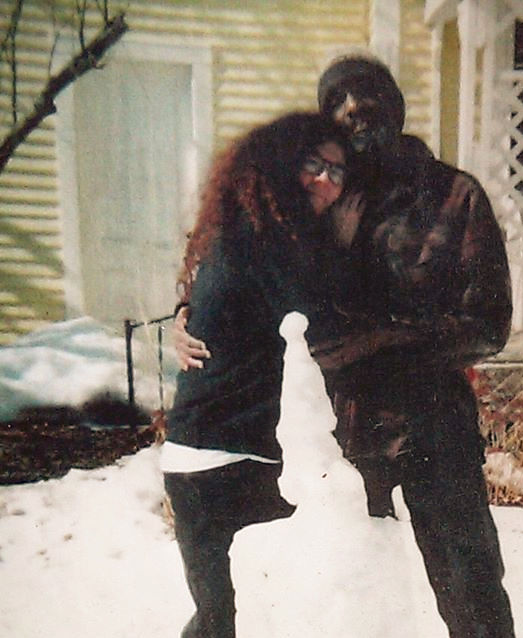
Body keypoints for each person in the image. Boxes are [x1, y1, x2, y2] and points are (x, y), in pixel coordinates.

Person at [176, 56, 515, 638]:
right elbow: (234, 249)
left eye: (367, 95)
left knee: (472, 593)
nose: (354, 110)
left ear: (397, 107)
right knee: (323, 594)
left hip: (432, 424)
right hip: (331, 432)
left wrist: (382, 340)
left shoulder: (453, 195)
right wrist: (187, 311)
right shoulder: (316, 193)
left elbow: (489, 323)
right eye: (338, 101)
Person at [162, 112, 357, 638]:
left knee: (228, 617)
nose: (326, 181)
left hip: (215, 455)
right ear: (280, 165)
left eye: (339, 172)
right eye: (314, 164)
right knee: (233, 620)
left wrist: (183, 315)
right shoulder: (266, 243)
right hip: (222, 460)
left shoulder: (249, 232)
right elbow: (324, 328)